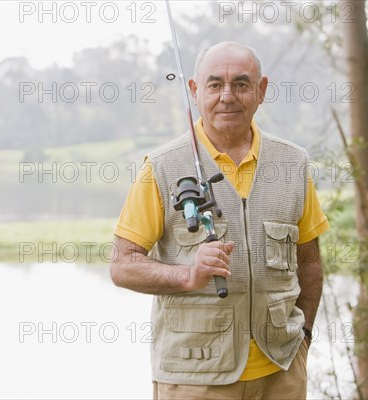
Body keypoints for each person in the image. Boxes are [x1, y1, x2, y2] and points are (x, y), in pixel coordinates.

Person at [110, 42, 329, 400]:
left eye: (241, 84)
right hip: (195, 376)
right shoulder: (162, 167)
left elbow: (310, 263)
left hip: (281, 372)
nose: (228, 96)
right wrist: (186, 275)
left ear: (262, 91)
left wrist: (303, 338)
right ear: (195, 91)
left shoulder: (293, 163)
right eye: (215, 84)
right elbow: (122, 265)